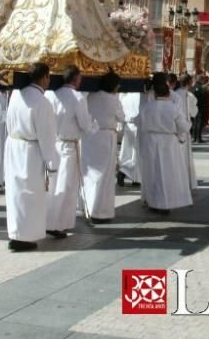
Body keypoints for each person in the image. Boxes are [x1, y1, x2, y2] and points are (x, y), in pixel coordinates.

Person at [4, 63, 59, 252]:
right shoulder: (42, 102)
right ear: (44, 77)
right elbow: (47, 135)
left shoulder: (16, 95)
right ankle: (25, 237)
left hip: (13, 146)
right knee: (30, 194)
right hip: (31, 150)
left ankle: (16, 233)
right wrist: (52, 162)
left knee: (15, 192)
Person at [46, 66, 99, 235]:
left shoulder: (51, 94)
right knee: (66, 186)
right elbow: (85, 125)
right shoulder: (77, 98)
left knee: (53, 185)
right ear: (76, 79)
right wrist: (94, 126)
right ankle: (57, 224)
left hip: (54, 143)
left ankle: (50, 220)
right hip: (69, 146)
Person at [136, 72, 192, 215]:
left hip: (150, 142)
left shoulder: (147, 107)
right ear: (168, 93)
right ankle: (165, 202)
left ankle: (152, 200)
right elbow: (184, 127)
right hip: (168, 143)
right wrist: (182, 134)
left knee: (152, 172)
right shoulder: (172, 107)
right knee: (166, 173)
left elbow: (137, 121)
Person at [84, 70, 123, 221]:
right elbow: (121, 117)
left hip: (91, 136)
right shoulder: (113, 100)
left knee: (90, 172)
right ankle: (99, 211)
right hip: (106, 136)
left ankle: (87, 205)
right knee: (104, 174)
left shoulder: (90, 96)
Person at [117, 91, 141, 187]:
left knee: (127, 152)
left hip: (128, 126)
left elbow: (121, 114)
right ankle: (135, 178)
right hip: (139, 126)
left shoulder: (125, 97)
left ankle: (123, 172)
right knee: (137, 154)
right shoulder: (142, 96)